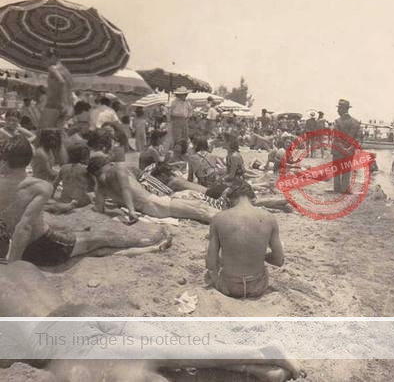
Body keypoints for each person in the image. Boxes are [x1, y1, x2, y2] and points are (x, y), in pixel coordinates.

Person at [0, 261, 304, 382]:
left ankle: (260, 354)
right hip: (80, 313)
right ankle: (255, 367)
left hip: (62, 339)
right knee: (177, 350)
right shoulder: (21, 266)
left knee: (161, 366)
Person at [0, 136, 170, 266]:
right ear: (29, 160)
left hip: (16, 246)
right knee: (101, 238)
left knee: (72, 233)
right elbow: (25, 226)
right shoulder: (40, 187)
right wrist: (14, 265)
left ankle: (149, 247)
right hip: (43, 248)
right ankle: (147, 242)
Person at [207, 181, 284, 299]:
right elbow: (279, 260)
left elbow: (211, 264)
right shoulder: (269, 218)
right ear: (252, 198)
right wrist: (258, 255)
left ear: (230, 199)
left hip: (229, 287)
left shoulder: (218, 218)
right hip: (258, 287)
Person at [88, 155, 217, 224]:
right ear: (106, 165)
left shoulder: (100, 187)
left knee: (197, 207)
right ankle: (228, 221)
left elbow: (99, 209)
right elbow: (125, 188)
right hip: (154, 203)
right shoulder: (117, 168)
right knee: (200, 210)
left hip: (149, 208)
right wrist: (131, 211)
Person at [39, 47, 74, 129]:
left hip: (53, 105)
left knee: (43, 132)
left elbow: (62, 82)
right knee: (57, 134)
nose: (43, 62)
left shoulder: (52, 68)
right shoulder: (66, 71)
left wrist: (61, 102)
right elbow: (69, 86)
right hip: (66, 107)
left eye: (45, 59)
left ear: (53, 57)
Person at [332, 99, 361, 193]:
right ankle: (345, 189)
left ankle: (337, 188)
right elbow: (358, 139)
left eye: (339, 108)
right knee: (347, 170)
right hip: (350, 151)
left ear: (343, 109)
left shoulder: (337, 121)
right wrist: (350, 148)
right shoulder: (356, 122)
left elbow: (336, 137)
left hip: (337, 150)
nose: (337, 110)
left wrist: (343, 148)